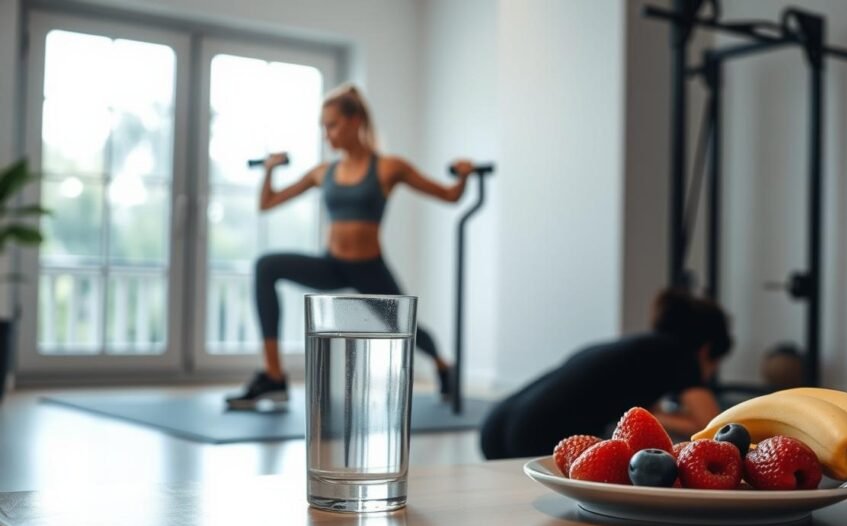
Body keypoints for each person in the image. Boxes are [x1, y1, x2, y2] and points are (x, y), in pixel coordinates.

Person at [227, 83, 474, 409]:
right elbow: (268, 203)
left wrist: (464, 175)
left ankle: (443, 366)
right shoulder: (323, 172)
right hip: (331, 265)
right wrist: (269, 171)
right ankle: (273, 376)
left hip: (369, 268)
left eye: (332, 125)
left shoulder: (388, 167)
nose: (326, 134)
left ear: (355, 120)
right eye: (323, 127)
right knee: (266, 266)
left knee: (405, 325)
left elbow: (450, 195)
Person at [479, 288, 732, 459]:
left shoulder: (638, 348)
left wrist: (653, 413)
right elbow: (712, 426)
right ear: (707, 349)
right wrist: (652, 415)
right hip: (535, 436)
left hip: (497, 424)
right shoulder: (681, 354)